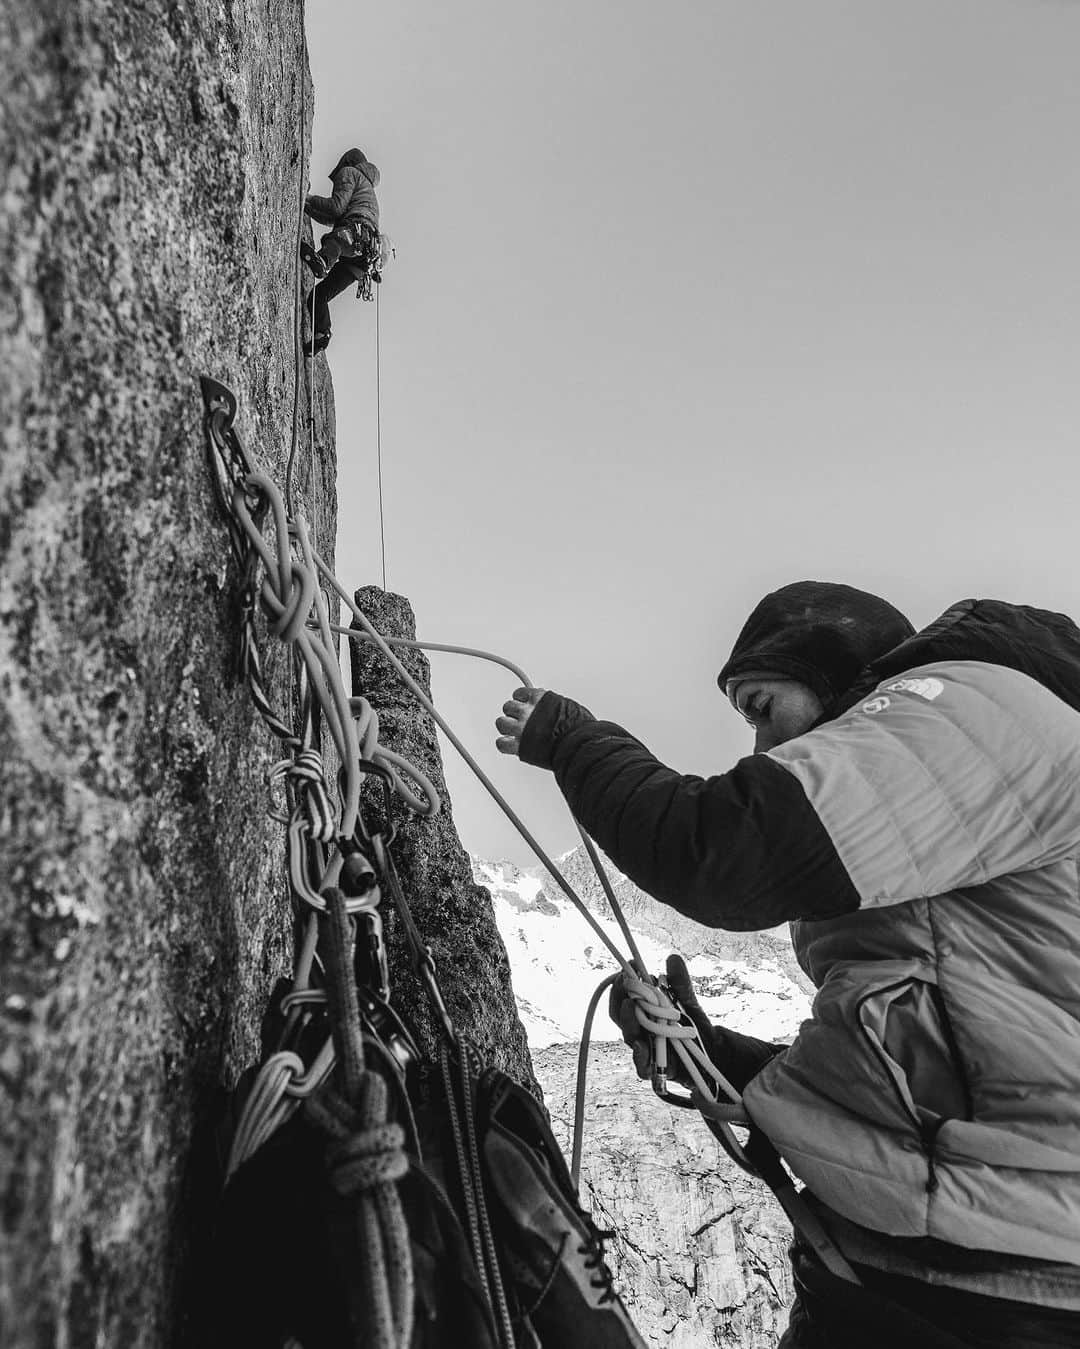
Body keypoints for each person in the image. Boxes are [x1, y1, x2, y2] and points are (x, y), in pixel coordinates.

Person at [494, 581, 1080, 1348]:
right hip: (933, 1278)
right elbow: (944, 1054)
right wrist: (717, 1056)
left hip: (983, 1295)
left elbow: (721, 851)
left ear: (843, 675)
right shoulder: (947, 820)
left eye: (763, 708)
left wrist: (574, 742)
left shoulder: (968, 709)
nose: (763, 750)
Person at [301, 147, 382, 354]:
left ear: (346, 162)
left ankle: (323, 261)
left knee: (334, 241)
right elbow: (334, 219)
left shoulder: (350, 173)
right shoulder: (368, 193)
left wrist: (306, 198)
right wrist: (308, 208)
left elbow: (336, 208)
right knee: (320, 296)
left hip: (354, 235)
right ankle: (322, 334)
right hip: (363, 257)